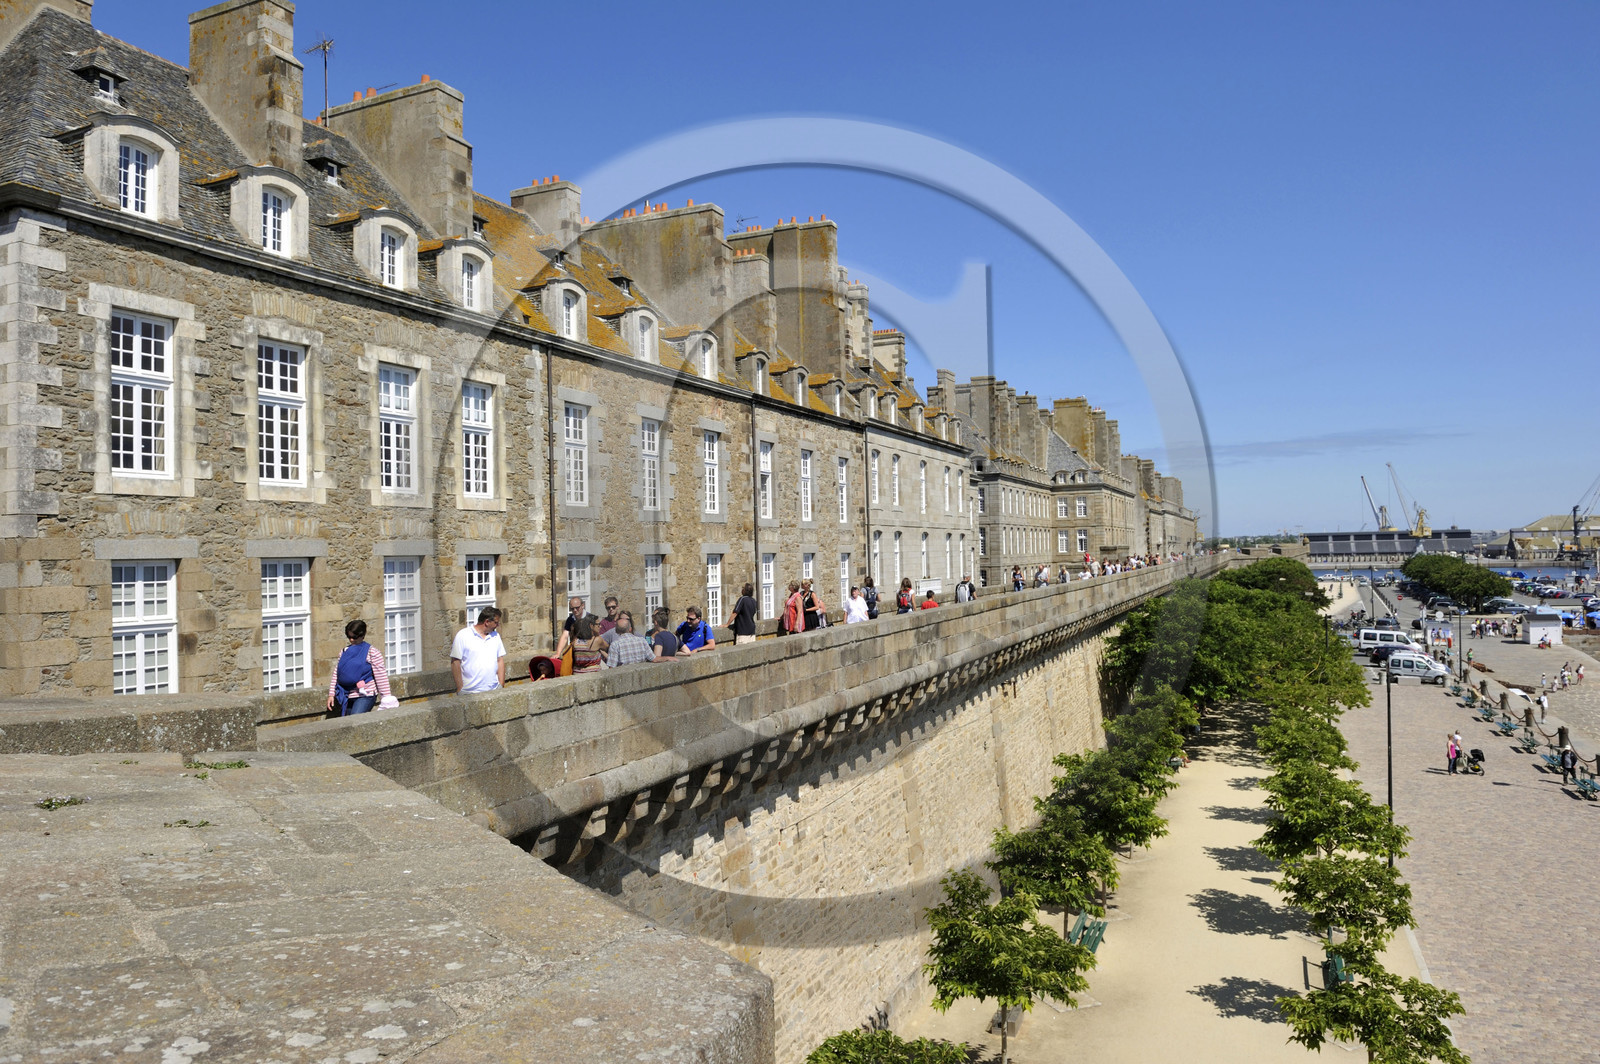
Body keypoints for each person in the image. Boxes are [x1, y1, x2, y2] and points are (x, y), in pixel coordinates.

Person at [326, 619, 392, 716]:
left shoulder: (372, 652)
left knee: (355, 720)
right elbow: (337, 673)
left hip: (366, 694)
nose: (351, 640)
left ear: (362, 635)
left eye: (354, 637)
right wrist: (331, 694)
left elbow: (381, 676)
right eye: (349, 637)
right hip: (347, 695)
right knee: (348, 722)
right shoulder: (344, 651)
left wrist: (386, 698)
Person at [450, 606, 507, 694]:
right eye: (496, 622)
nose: (498, 625)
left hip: (494, 689)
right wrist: (460, 688)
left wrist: (501, 684)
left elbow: (500, 660)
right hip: (470, 692)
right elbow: (455, 662)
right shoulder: (463, 635)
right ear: (487, 622)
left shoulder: (496, 636)